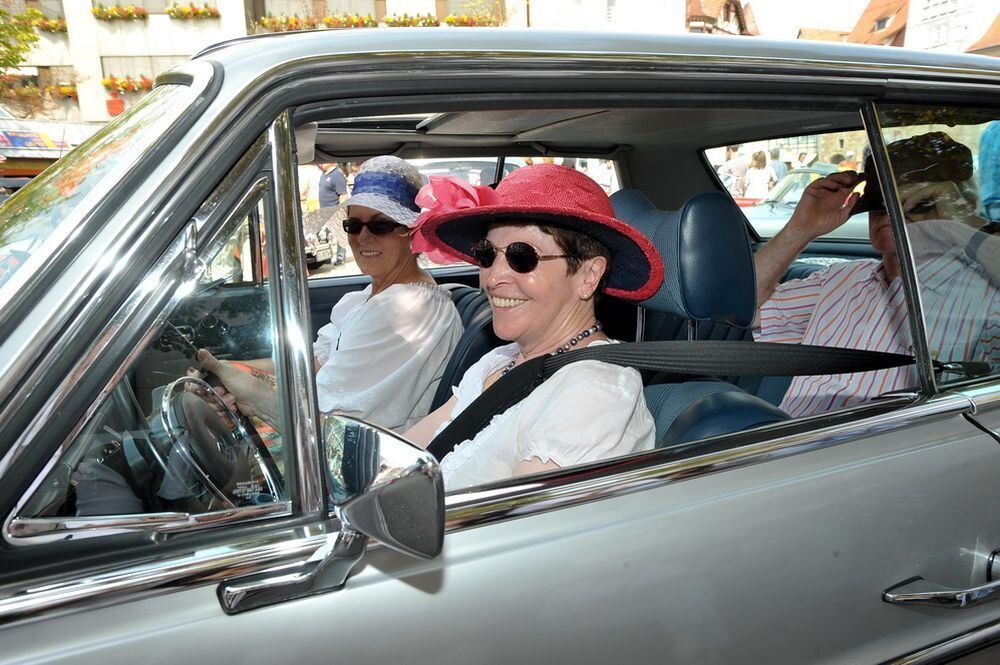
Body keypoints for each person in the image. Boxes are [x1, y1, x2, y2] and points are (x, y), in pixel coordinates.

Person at [403, 163, 661, 490]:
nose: (493, 278)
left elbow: (512, 530)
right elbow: (405, 454)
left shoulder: (596, 393)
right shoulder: (499, 361)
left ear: (588, 276)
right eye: (487, 255)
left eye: (522, 257)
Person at [195, 156, 463, 432]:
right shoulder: (369, 297)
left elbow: (329, 414)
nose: (362, 238)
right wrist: (229, 370)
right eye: (354, 226)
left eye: (380, 225)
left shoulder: (410, 311)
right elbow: (313, 365)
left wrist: (251, 392)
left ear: (410, 231)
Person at [752, 131, 1000, 418]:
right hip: (789, 445)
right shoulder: (840, 279)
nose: (890, 214)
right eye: (879, 204)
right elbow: (740, 306)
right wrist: (801, 228)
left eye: (918, 203)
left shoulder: (984, 294)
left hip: (884, 456)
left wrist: (964, 223)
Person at [318, 163, 350, 264]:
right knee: (326, 235)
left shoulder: (336, 175)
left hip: (334, 210)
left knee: (339, 234)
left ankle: (340, 257)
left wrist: (339, 210)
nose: (320, 163)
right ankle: (327, 256)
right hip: (324, 210)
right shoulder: (324, 174)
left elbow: (343, 194)